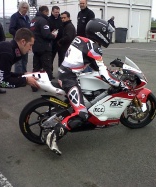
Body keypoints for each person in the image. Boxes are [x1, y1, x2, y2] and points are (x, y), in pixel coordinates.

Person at [42, 18, 129, 155]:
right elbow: (104, 74)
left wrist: (109, 71)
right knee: (82, 113)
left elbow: (94, 64)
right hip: (69, 79)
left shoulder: (81, 39)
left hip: (65, 73)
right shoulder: (94, 49)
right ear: (100, 33)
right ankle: (53, 135)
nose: (108, 37)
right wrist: (120, 83)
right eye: (107, 34)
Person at [0, 28, 40, 139]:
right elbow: (4, 82)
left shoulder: (9, 48)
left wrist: (24, 74)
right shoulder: (6, 52)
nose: (30, 49)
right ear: (23, 42)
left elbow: (4, 74)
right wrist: (25, 81)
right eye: (30, 45)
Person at [30, 6, 57, 92]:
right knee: (47, 68)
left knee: (36, 68)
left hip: (35, 47)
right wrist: (53, 35)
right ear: (45, 11)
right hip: (44, 48)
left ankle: (34, 86)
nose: (48, 14)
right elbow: (46, 35)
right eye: (47, 12)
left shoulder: (33, 21)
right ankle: (47, 87)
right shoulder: (43, 21)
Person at [9, 1, 30, 74]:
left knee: (25, 60)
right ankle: (18, 76)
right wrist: (20, 36)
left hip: (26, 42)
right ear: (19, 8)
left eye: (26, 8)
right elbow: (11, 29)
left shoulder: (27, 18)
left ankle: (24, 75)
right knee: (18, 61)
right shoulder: (15, 16)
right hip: (18, 43)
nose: (25, 9)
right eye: (23, 8)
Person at [48, 6, 63, 79]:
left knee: (61, 59)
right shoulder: (48, 20)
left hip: (60, 42)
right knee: (50, 59)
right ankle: (50, 74)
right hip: (52, 43)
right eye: (55, 12)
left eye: (58, 12)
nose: (57, 13)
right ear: (52, 12)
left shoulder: (61, 19)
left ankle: (61, 74)